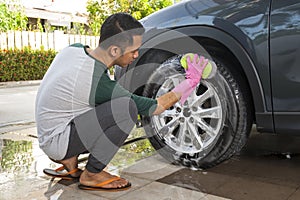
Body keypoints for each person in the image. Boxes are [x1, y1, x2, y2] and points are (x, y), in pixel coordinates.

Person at [35, 12, 209, 191]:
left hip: (51, 133)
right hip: (58, 140)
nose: (136, 56)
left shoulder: (74, 49)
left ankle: (69, 161)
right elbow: (157, 107)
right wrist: (190, 82)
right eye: (133, 51)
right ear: (114, 50)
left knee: (110, 106)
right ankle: (93, 174)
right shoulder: (96, 84)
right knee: (127, 109)